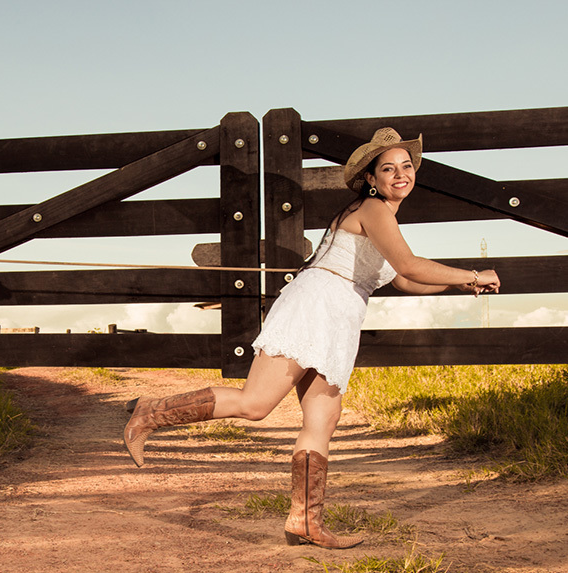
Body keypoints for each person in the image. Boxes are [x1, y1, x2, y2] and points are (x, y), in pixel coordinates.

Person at [123, 128, 500, 549]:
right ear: (371, 179)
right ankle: (149, 413)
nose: (400, 174)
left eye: (406, 166)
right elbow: (409, 265)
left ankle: (304, 522)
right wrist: (471, 274)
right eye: (388, 168)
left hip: (341, 314)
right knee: (255, 404)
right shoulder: (374, 209)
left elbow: (404, 281)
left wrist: (459, 286)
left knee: (324, 419)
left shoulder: (384, 218)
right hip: (316, 305)